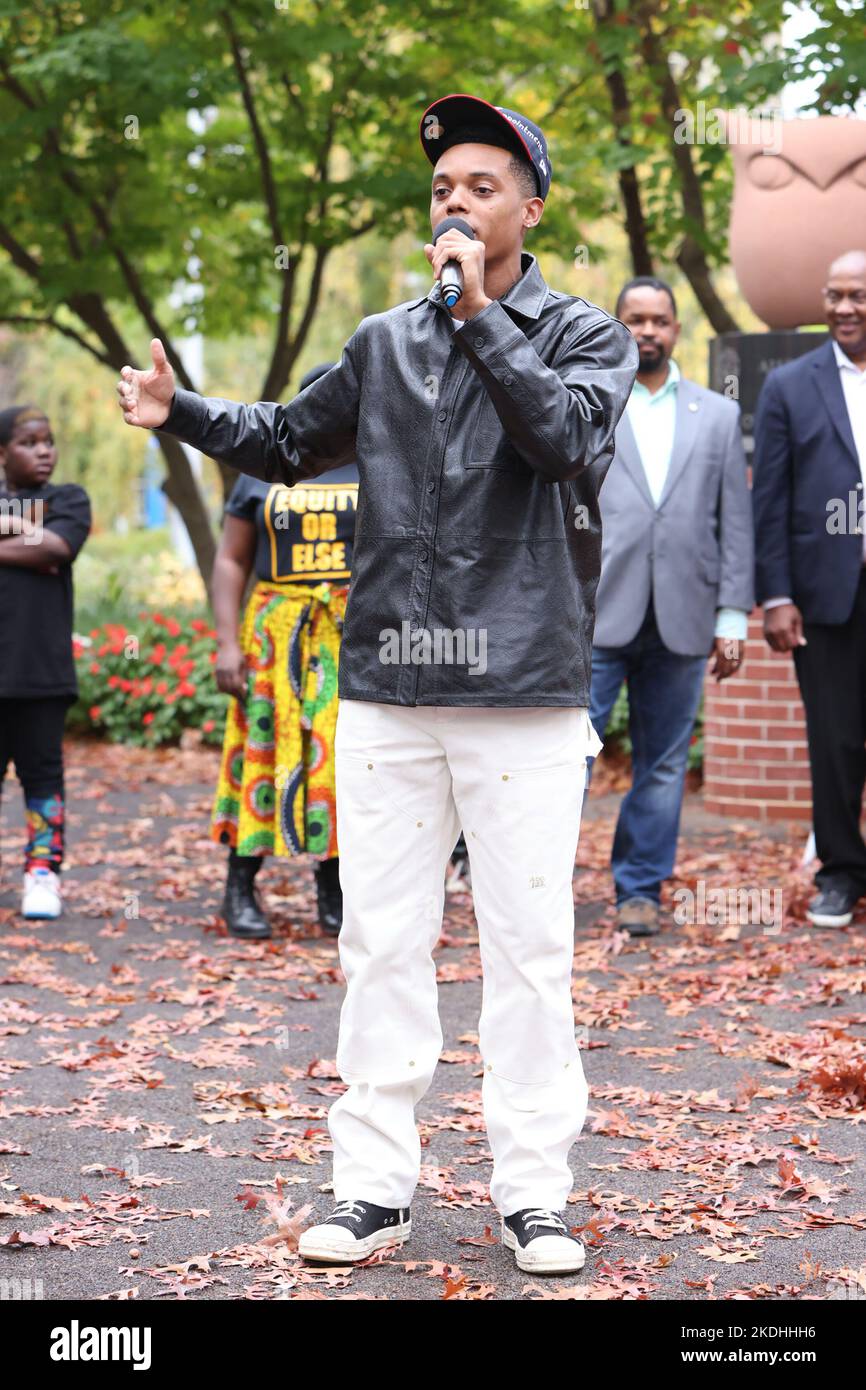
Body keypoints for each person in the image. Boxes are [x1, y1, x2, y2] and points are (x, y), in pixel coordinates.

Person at [116, 92, 638, 1276]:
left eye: (481, 186)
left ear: (530, 206)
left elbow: (560, 439)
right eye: (442, 188)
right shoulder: (381, 341)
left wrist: (477, 318)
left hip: (524, 688)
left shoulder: (582, 335)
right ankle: (370, 1188)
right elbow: (286, 439)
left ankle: (533, 1193)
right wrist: (178, 410)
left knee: (527, 948)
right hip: (388, 688)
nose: (453, 202)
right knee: (382, 944)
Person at [587, 277, 754, 937]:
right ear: (618, 326)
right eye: (635, 319)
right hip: (596, 615)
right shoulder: (590, 404)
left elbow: (733, 525)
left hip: (684, 617)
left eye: (659, 320)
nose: (647, 330)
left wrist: (733, 618)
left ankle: (640, 892)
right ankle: (535, 889)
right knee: (568, 758)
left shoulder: (716, 415)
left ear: (677, 330)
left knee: (661, 765)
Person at [211, 362, 358, 940]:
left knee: (345, 758)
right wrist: (227, 643)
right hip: (275, 632)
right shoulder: (264, 466)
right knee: (262, 751)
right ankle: (240, 884)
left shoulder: (379, 462)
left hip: (352, 633)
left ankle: (334, 887)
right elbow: (231, 559)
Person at [753, 249, 866, 929]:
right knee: (834, 739)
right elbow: (770, 499)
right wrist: (775, 595)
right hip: (825, 594)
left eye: (858, 295)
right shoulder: (789, 387)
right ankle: (842, 873)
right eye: (834, 295)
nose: (845, 308)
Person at [0, 404, 92, 920]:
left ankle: (42, 873)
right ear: (2, 452)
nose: (44, 451)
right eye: (29, 442)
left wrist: (16, 528)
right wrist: (18, 530)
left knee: (42, 777)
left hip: (40, 672)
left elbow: (57, 547)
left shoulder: (66, 499)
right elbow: (39, 547)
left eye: (48, 441)